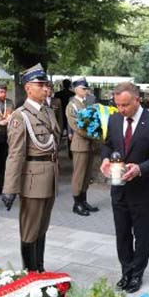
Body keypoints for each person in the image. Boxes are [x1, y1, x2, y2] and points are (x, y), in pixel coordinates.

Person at [100, 82, 149, 293]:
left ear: (137, 100)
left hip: (143, 191)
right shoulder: (113, 120)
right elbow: (108, 144)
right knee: (122, 234)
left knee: (141, 235)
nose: (121, 109)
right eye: (118, 105)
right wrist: (104, 159)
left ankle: (137, 274)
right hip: (119, 189)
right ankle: (126, 270)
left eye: (125, 105)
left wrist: (140, 168)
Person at [1, 63, 60, 272]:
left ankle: (40, 269)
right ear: (28, 88)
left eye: (47, 84)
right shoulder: (20, 116)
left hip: (49, 176)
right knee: (30, 229)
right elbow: (15, 154)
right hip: (33, 179)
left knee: (42, 227)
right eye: (41, 85)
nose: (46, 88)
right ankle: (30, 272)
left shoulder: (48, 111)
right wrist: (10, 188)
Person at [66, 78, 99, 216]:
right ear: (75, 89)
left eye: (86, 89)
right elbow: (76, 126)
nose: (86, 91)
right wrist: (93, 135)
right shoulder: (72, 105)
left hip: (89, 144)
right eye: (83, 89)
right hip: (80, 144)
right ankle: (77, 203)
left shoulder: (86, 104)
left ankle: (84, 201)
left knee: (86, 175)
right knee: (79, 175)